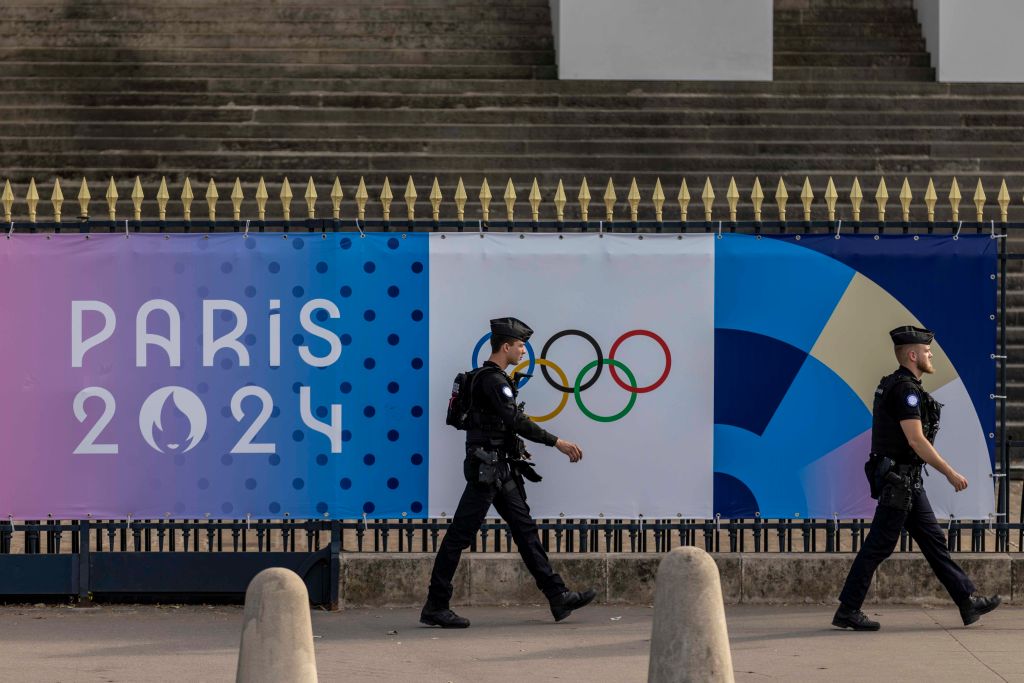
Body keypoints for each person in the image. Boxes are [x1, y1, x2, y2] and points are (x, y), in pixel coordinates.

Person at [421, 317, 596, 628]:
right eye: (520, 346)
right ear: (506, 346)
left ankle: (557, 596)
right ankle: (436, 605)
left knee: (525, 531)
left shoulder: (490, 378)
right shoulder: (492, 380)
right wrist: (557, 442)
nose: (524, 351)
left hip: (500, 469)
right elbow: (515, 420)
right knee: (459, 537)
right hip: (487, 470)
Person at [833, 325, 1001, 631]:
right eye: (926, 351)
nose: (930, 354)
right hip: (899, 482)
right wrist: (950, 473)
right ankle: (848, 609)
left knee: (934, 543)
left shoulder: (896, 384)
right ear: (912, 355)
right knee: (879, 546)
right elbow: (916, 440)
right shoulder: (905, 390)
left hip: (906, 482)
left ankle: (967, 602)